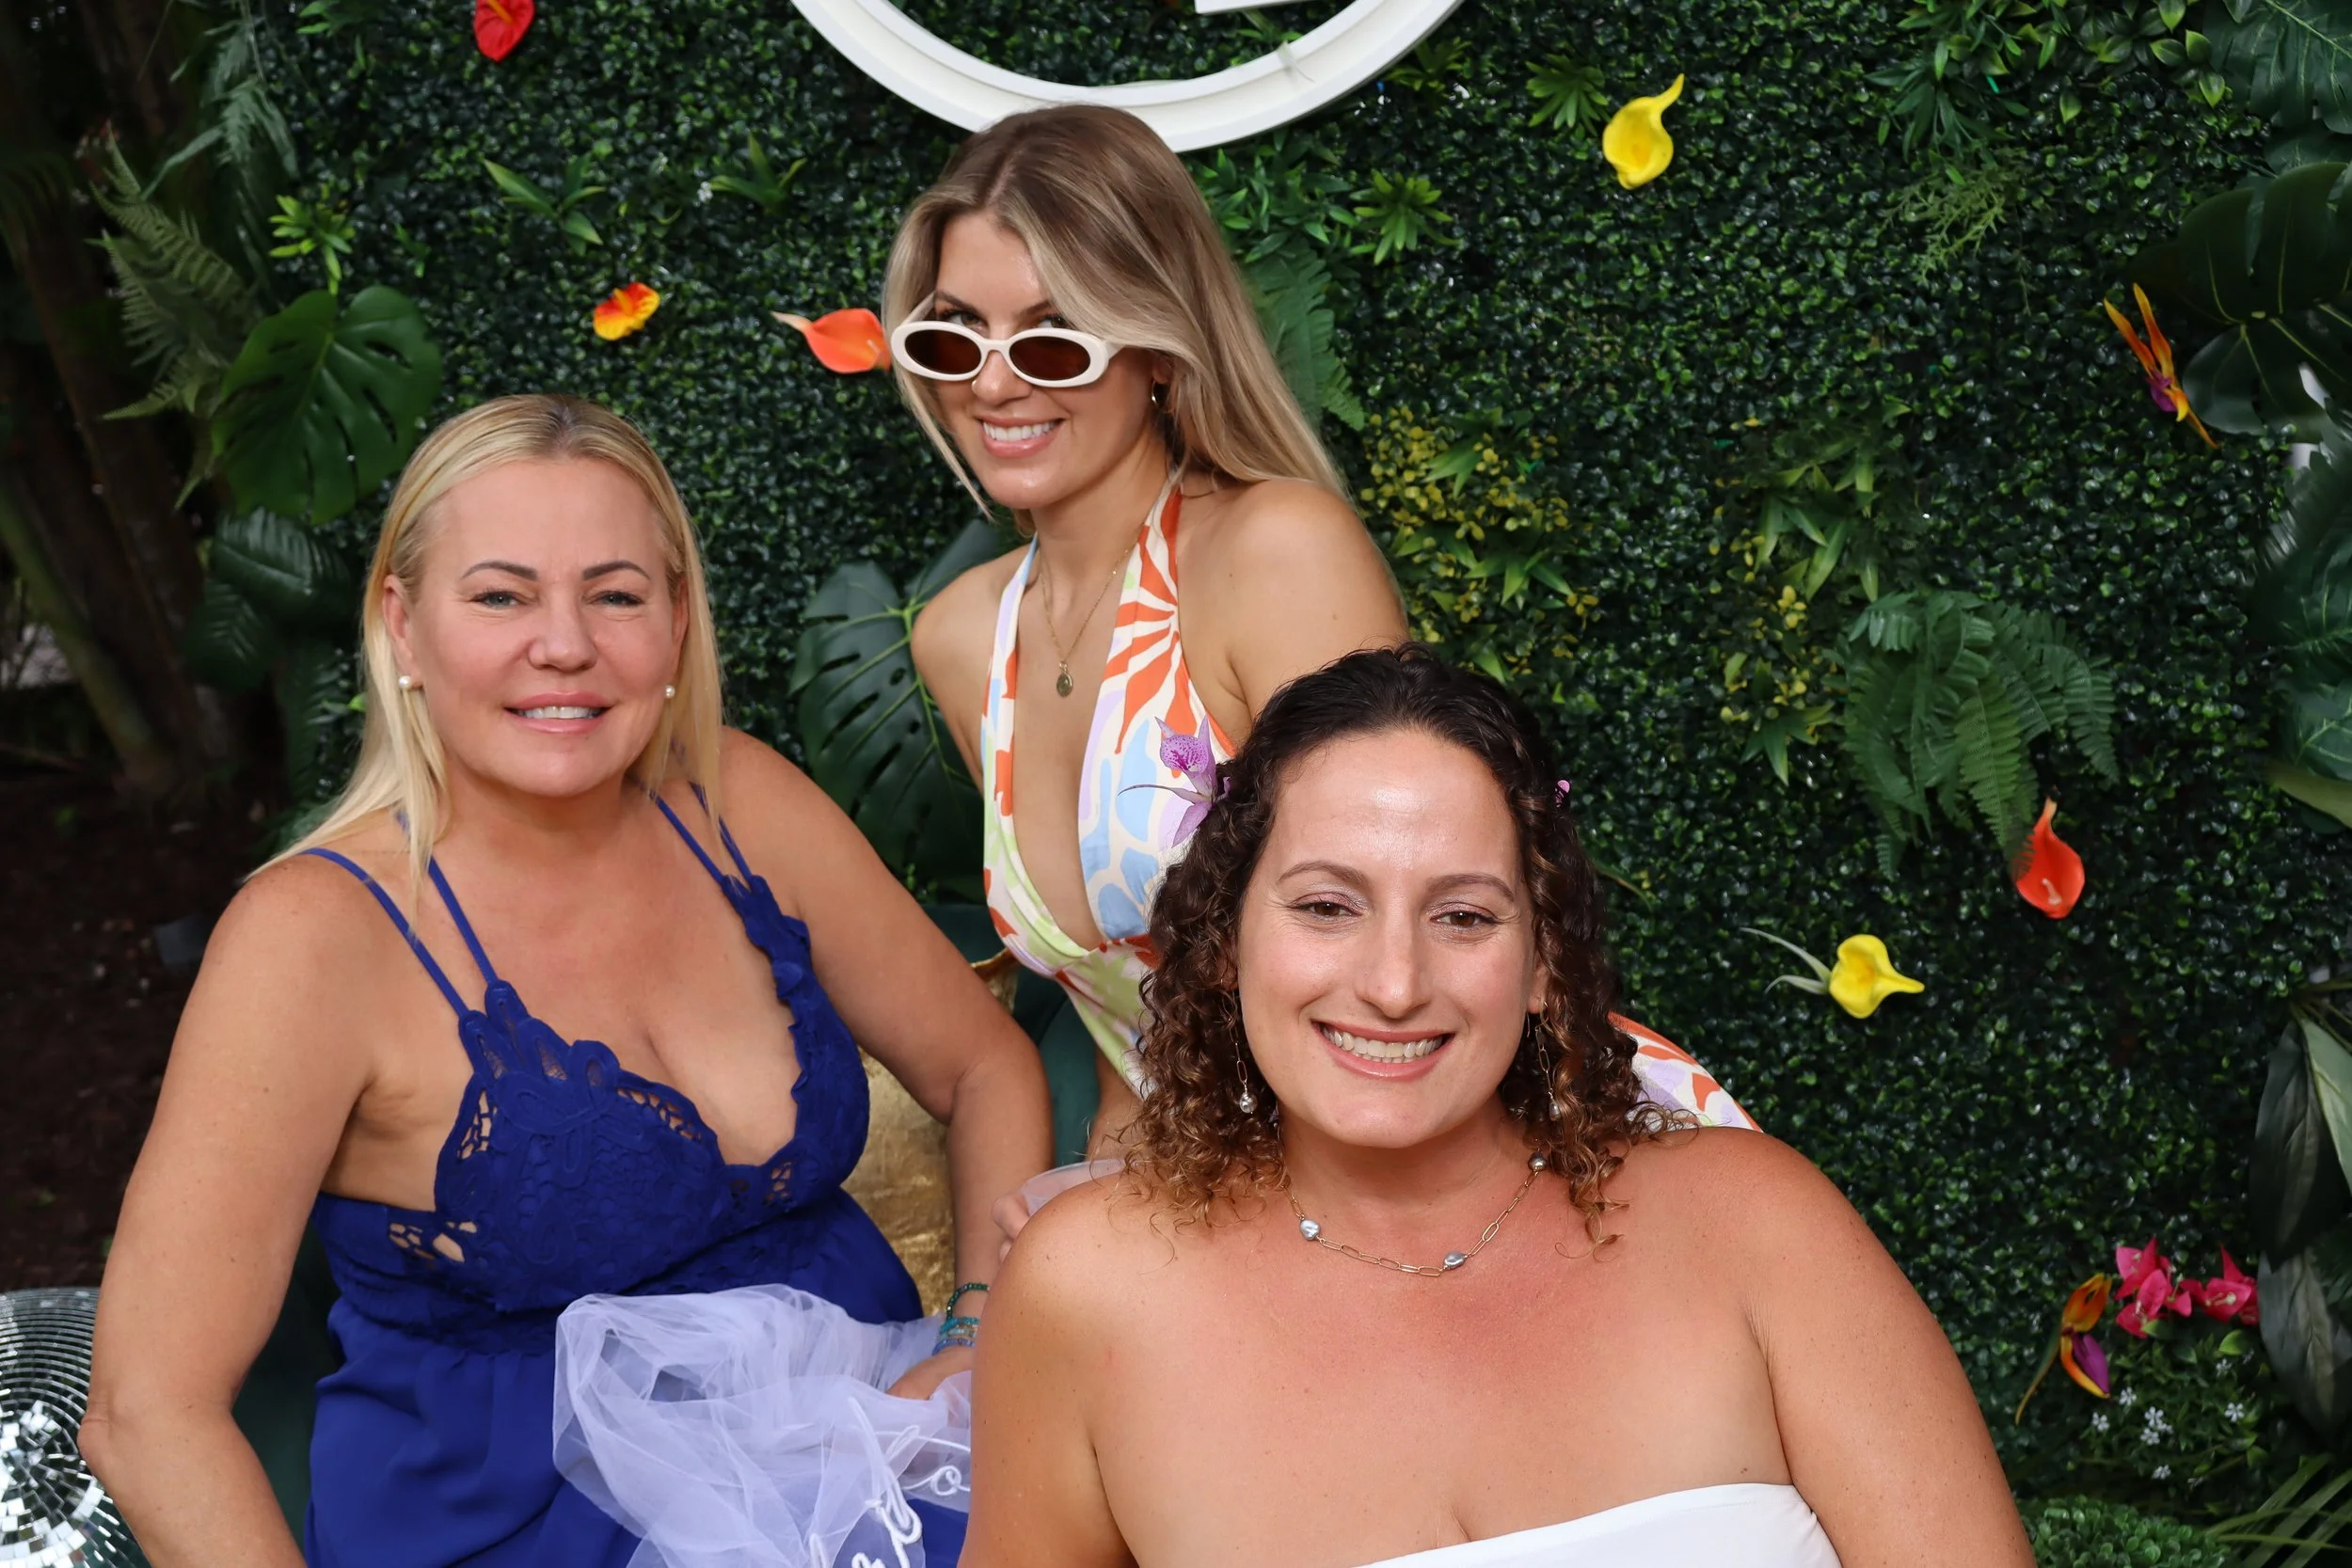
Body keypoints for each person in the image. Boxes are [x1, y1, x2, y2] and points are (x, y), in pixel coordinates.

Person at [79, 394, 1052, 1567]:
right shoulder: (312, 940)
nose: (565, 643)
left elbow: (982, 1060)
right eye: (500, 595)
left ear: (678, 617)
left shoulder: (736, 805)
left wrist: (983, 1330)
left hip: (862, 1447)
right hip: (530, 1524)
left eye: (615, 592)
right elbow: (148, 1412)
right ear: (400, 624)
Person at [962, 647, 2032, 1568]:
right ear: (1229, 938)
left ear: (1539, 962)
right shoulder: (1088, 1290)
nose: (1392, 981)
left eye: (1464, 914)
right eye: (1327, 906)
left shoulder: (1751, 1222)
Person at [897, 103, 1406, 1151]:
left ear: (1158, 349)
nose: (993, 381)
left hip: (1411, 1158)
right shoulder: (960, 638)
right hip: (1197, 1192)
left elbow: (1416, 950)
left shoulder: (1275, 554)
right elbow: (1124, 1030)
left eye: (1053, 338)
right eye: (954, 335)